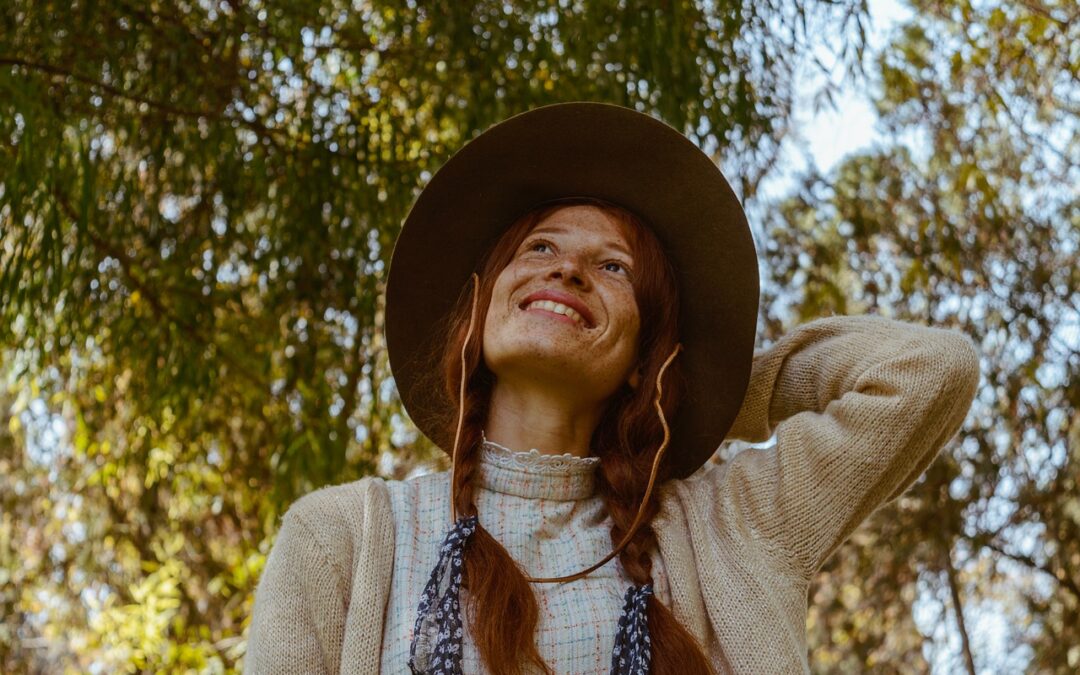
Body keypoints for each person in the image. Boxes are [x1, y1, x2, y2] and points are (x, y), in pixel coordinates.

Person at [244, 103, 980, 675]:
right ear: (482, 306)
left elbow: (928, 371)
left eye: (612, 268)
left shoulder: (727, 525)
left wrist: (695, 393)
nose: (565, 270)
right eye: (539, 247)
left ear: (643, 352)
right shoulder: (342, 536)